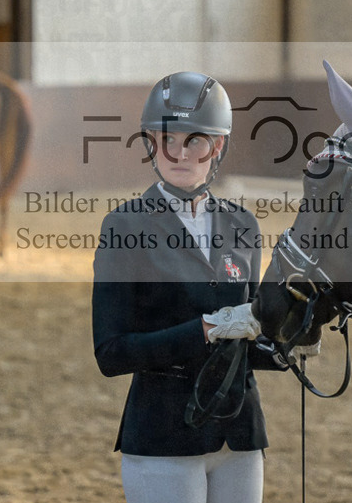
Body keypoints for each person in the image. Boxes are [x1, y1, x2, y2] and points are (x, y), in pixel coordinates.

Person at [91, 71, 287, 503]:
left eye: (195, 140)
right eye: (167, 139)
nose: (179, 152)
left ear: (217, 146)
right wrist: (204, 329)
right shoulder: (124, 227)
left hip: (239, 434)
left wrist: (287, 345)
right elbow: (111, 353)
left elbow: (246, 339)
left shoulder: (244, 226)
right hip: (164, 435)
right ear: (150, 143)